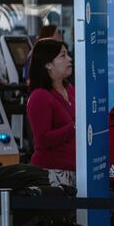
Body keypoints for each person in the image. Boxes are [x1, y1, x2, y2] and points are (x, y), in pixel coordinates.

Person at [25, 40, 76, 179]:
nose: (69, 59)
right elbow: (42, 140)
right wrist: (74, 127)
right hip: (53, 173)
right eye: (62, 56)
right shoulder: (40, 96)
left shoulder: (69, 89)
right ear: (47, 64)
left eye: (68, 54)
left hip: (76, 170)